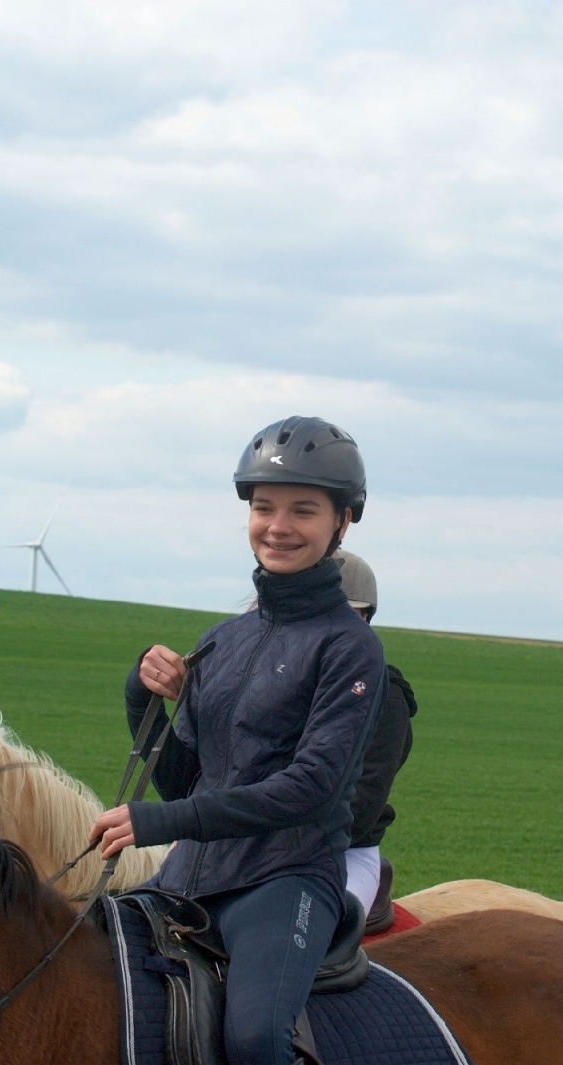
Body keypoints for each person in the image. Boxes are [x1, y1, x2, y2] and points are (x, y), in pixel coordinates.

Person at [90, 415, 386, 1065]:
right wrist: (142, 693)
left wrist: (159, 820)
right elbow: (185, 778)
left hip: (284, 879)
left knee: (255, 1041)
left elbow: (310, 787)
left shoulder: (351, 647)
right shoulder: (224, 640)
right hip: (185, 877)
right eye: (263, 507)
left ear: (343, 520)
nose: (278, 525)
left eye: (302, 510)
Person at [330, 549, 418, 934]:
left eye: (347, 616)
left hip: (341, 857)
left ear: (366, 620)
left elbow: (359, 809)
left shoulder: (385, 697)